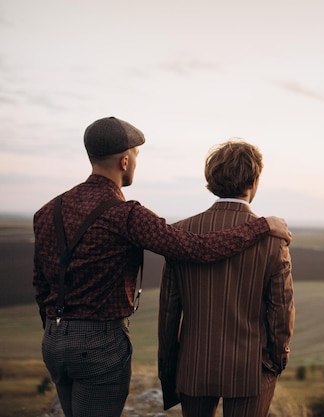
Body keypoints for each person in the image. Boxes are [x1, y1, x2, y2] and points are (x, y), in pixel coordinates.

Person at [32, 117, 291, 417]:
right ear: (125, 161)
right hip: (100, 343)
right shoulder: (126, 215)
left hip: (54, 339)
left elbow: (41, 283)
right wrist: (260, 226)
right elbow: (195, 247)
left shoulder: (47, 211)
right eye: (136, 158)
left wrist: (55, 330)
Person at [158, 139, 295, 417]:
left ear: (211, 180)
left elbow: (169, 312)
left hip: (193, 365)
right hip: (251, 368)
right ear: (254, 181)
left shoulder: (180, 233)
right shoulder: (273, 240)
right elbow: (282, 309)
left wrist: (170, 367)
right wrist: (276, 361)